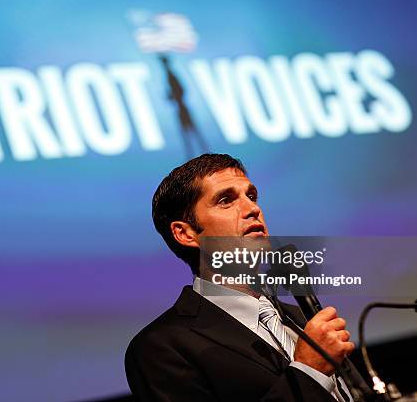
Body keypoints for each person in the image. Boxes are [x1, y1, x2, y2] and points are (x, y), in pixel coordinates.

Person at [125, 153, 366, 401]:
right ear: (186, 233)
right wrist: (309, 372)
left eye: (251, 196)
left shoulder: (297, 317)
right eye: (226, 200)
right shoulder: (160, 347)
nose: (253, 209)